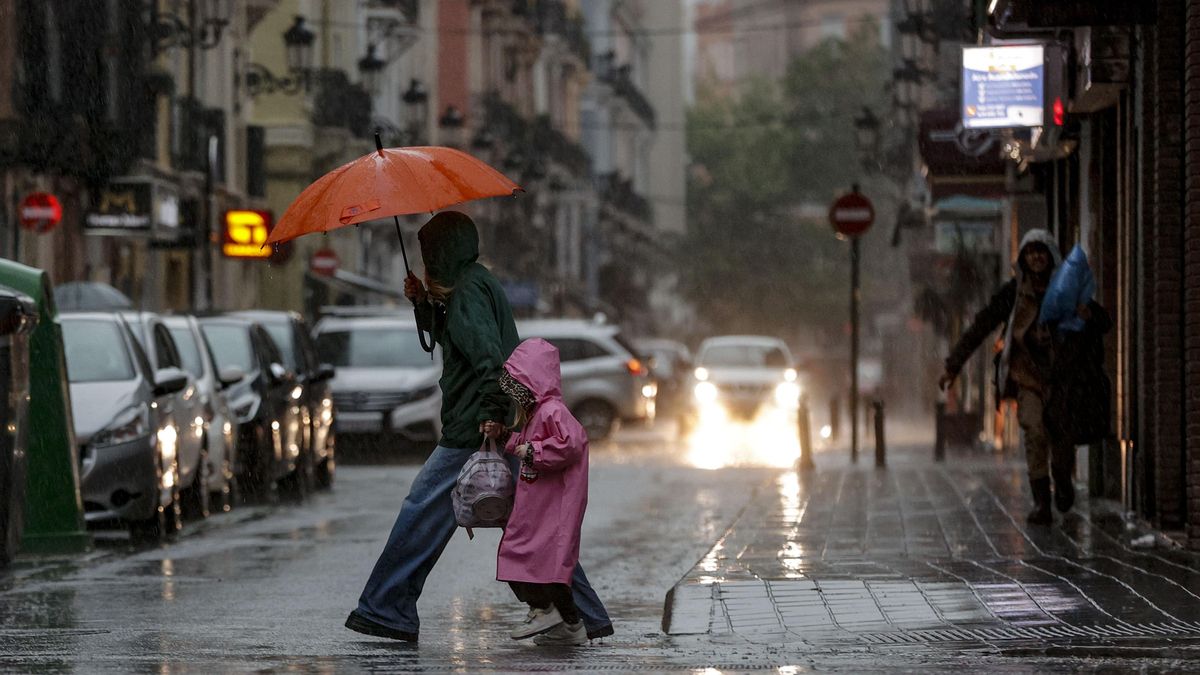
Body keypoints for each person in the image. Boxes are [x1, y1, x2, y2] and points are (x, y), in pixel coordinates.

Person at [345, 211, 613, 642]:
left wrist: (490, 418)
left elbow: (488, 359)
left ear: (442, 254)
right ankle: (580, 612)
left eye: (429, 254)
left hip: (473, 428)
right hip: (486, 422)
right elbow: (461, 337)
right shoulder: (475, 283)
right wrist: (423, 304)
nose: (426, 262)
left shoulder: (468, 292)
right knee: (529, 521)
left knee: (421, 511)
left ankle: (387, 606)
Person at [938, 229, 1109, 525]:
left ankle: (1063, 480)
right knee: (1034, 431)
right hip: (1027, 377)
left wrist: (1088, 317)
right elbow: (982, 325)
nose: (1036, 258)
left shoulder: (1068, 288)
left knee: (1061, 437)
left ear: (1051, 255)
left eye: (1041, 251)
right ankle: (1041, 501)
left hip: (1064, 380)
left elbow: (1103, 320)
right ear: (1023, 259)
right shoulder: (1013, 293)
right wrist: (954, 365)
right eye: (1030, 253)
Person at [483, 338, 590, 646]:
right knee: (531, 561)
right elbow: (529, 442)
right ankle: (568, 625)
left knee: (544, 566)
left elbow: (572, 443)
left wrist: (532, 450)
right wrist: (505, 435)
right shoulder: (537, 414)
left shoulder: (552, 411)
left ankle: (546, 611)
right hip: (539, 505)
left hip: (553, 507)